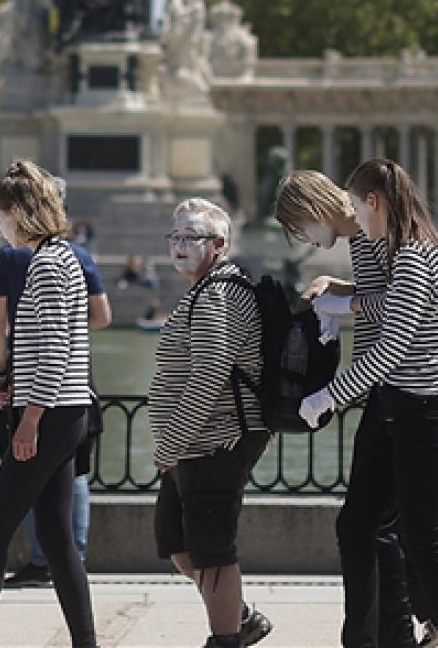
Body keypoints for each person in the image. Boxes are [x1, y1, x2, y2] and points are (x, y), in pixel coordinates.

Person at [295, 159, 438, 648]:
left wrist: (330, 395)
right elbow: (382, 307)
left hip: (417, 408)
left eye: (354, 203)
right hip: (395, 404)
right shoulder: (407, 248)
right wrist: (341, 301)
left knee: (423, 543)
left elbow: (390, 345)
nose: (354, 220)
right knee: (370, 527)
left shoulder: (411, 253)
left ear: (373, 202)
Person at [0, 160, 98, 648]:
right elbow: (54, 347)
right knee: (56, 540)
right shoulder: (59, 258)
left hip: (51, 416)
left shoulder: (50, 266)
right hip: (62, 409)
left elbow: (55, 350)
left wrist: (28, 420)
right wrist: (15, 382)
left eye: (0, 215)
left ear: (22, 212)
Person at [149, 199, 274, 648]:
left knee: (212, 549)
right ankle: (240, 617)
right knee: (178, 542)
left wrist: (171, 445)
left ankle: (225, 638)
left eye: (192, 237)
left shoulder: (218, 295)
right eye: (175, 237)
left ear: (219, 244)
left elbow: (209, 374)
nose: (180, 246)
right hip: (194, 444)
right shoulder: (206, 289)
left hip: (214, 441)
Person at [0, 183, 111, 588]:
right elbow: (101, 315)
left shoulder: (18, 260)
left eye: (0, 214)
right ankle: (75, 554)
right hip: (75, 385)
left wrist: (9, 369)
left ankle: (42, 562)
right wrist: (70, 333)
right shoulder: (78, 256)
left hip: (39, 395)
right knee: (73, 479)